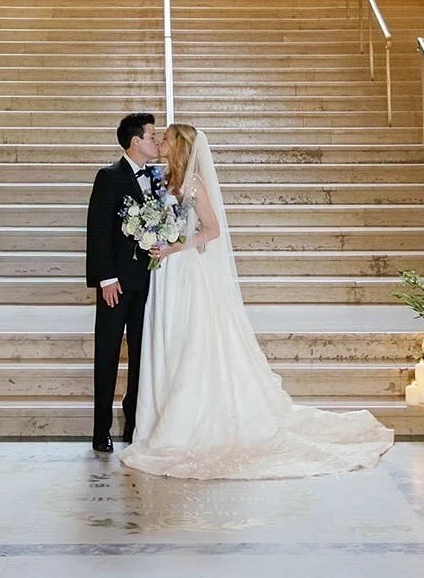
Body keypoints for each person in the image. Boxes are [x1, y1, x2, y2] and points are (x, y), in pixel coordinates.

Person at [122, 123, 394, 479]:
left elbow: (212, 229)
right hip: (166, 275)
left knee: (192, 341)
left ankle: (187, 418)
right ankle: (159, 415)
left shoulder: (194, 183)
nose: (161, 141)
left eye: (168, 137)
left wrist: (173, 246)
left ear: (181, 146)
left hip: (186, 271)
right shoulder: (163, 180)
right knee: (168, 342)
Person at [85, 111, 160, 453]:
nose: (157, 142)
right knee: (108, 354)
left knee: (143, 356)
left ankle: (134, 423)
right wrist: (106, 278)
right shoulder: (109, 176)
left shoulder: (157, 178)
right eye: (152, 137)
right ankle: (101, 430)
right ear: (135, 142)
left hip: (149, 284)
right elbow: (98, 231)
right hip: (115, 285)